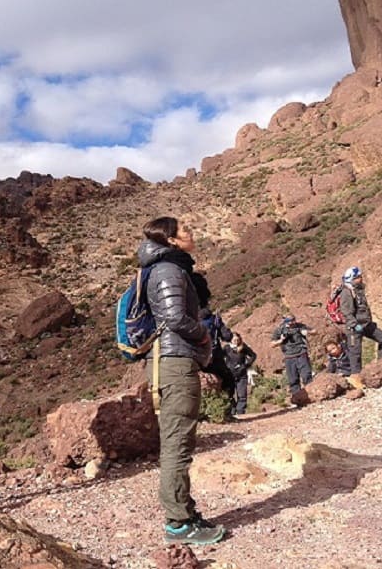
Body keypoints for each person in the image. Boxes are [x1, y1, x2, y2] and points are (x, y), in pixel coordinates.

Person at [138, 217, 225, 546]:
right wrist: (204, 336)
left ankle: (184, 512)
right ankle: (178, 523)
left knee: (179, 440)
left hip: (172, 361)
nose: (193, 232)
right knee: (177, 443)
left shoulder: (169, 267)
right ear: (172, 240)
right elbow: (175, 317)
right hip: (173, 363)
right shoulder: (168, 271)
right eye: (185, 229)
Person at [338, 266, 382, 374]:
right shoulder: (347, 292)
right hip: (354, 327)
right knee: (355, 354)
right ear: (352, 278)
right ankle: (356, 378)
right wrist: (354, 324)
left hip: (366, 324)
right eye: (358, 277)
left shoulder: (358, 289)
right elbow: (346, 311)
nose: (361, 278)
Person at [199, 305, 236, 412]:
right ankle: (228, 407)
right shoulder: (214, 319)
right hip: (215, 356)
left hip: (197, 357)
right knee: (228, 379)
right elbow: (227, 336)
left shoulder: (190, 317)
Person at [270, 314, 313, 395]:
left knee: (306, 374)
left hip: (301, 353)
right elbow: (272, 344)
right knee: (293, 379)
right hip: (289, 356)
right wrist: (281, 340)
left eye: (293, 320)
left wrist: (307, 332)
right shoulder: (280, 330)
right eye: (288, 321)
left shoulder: (299, 326)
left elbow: (315, 331)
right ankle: (297, 397)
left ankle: (310, 394)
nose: (291, 323)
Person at [223, 333, 257, 416]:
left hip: (241, 374)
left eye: (238, 340)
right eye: (234, 340)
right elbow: (220, 357)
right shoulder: (227, 348)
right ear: (231, 340)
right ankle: (232, 411)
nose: (236, 341)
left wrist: (245, 365)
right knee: (229, 394)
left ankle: (240, 412)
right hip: (230, 374)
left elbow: (253, 355)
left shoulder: (243, 347)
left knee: (242, 394)